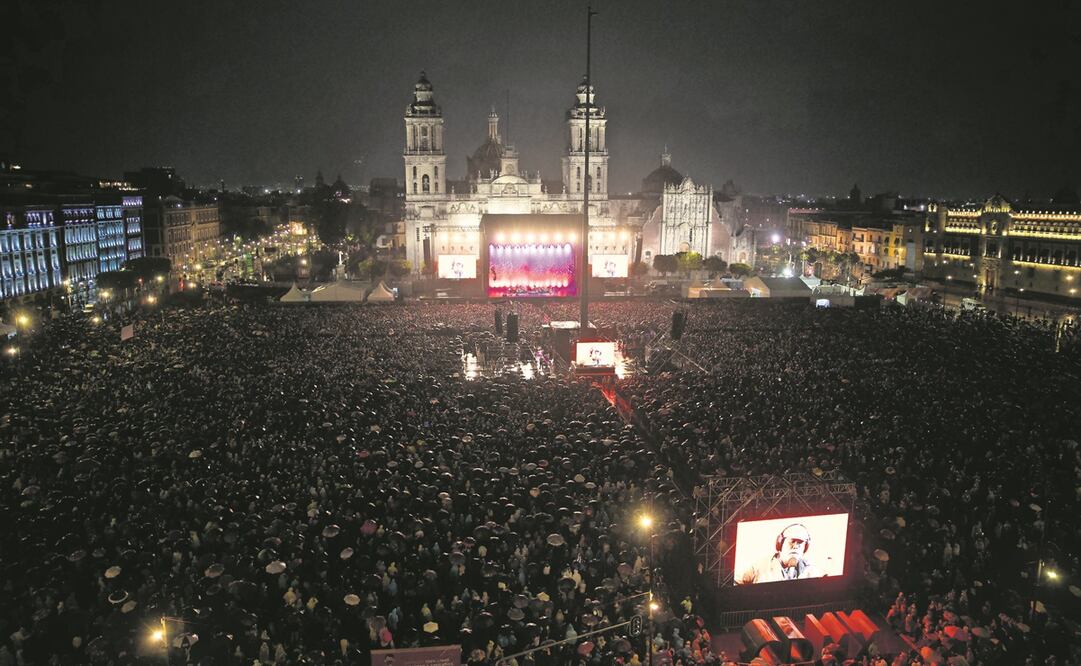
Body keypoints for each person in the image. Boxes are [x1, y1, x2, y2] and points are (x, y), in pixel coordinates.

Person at [737, 523, 822, 584]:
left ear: (805, 547)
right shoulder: (758, 567)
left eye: (800, 543)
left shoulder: (812, 571)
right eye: (792, 541)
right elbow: (736, 583)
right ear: (780, 544)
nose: (795, 546)